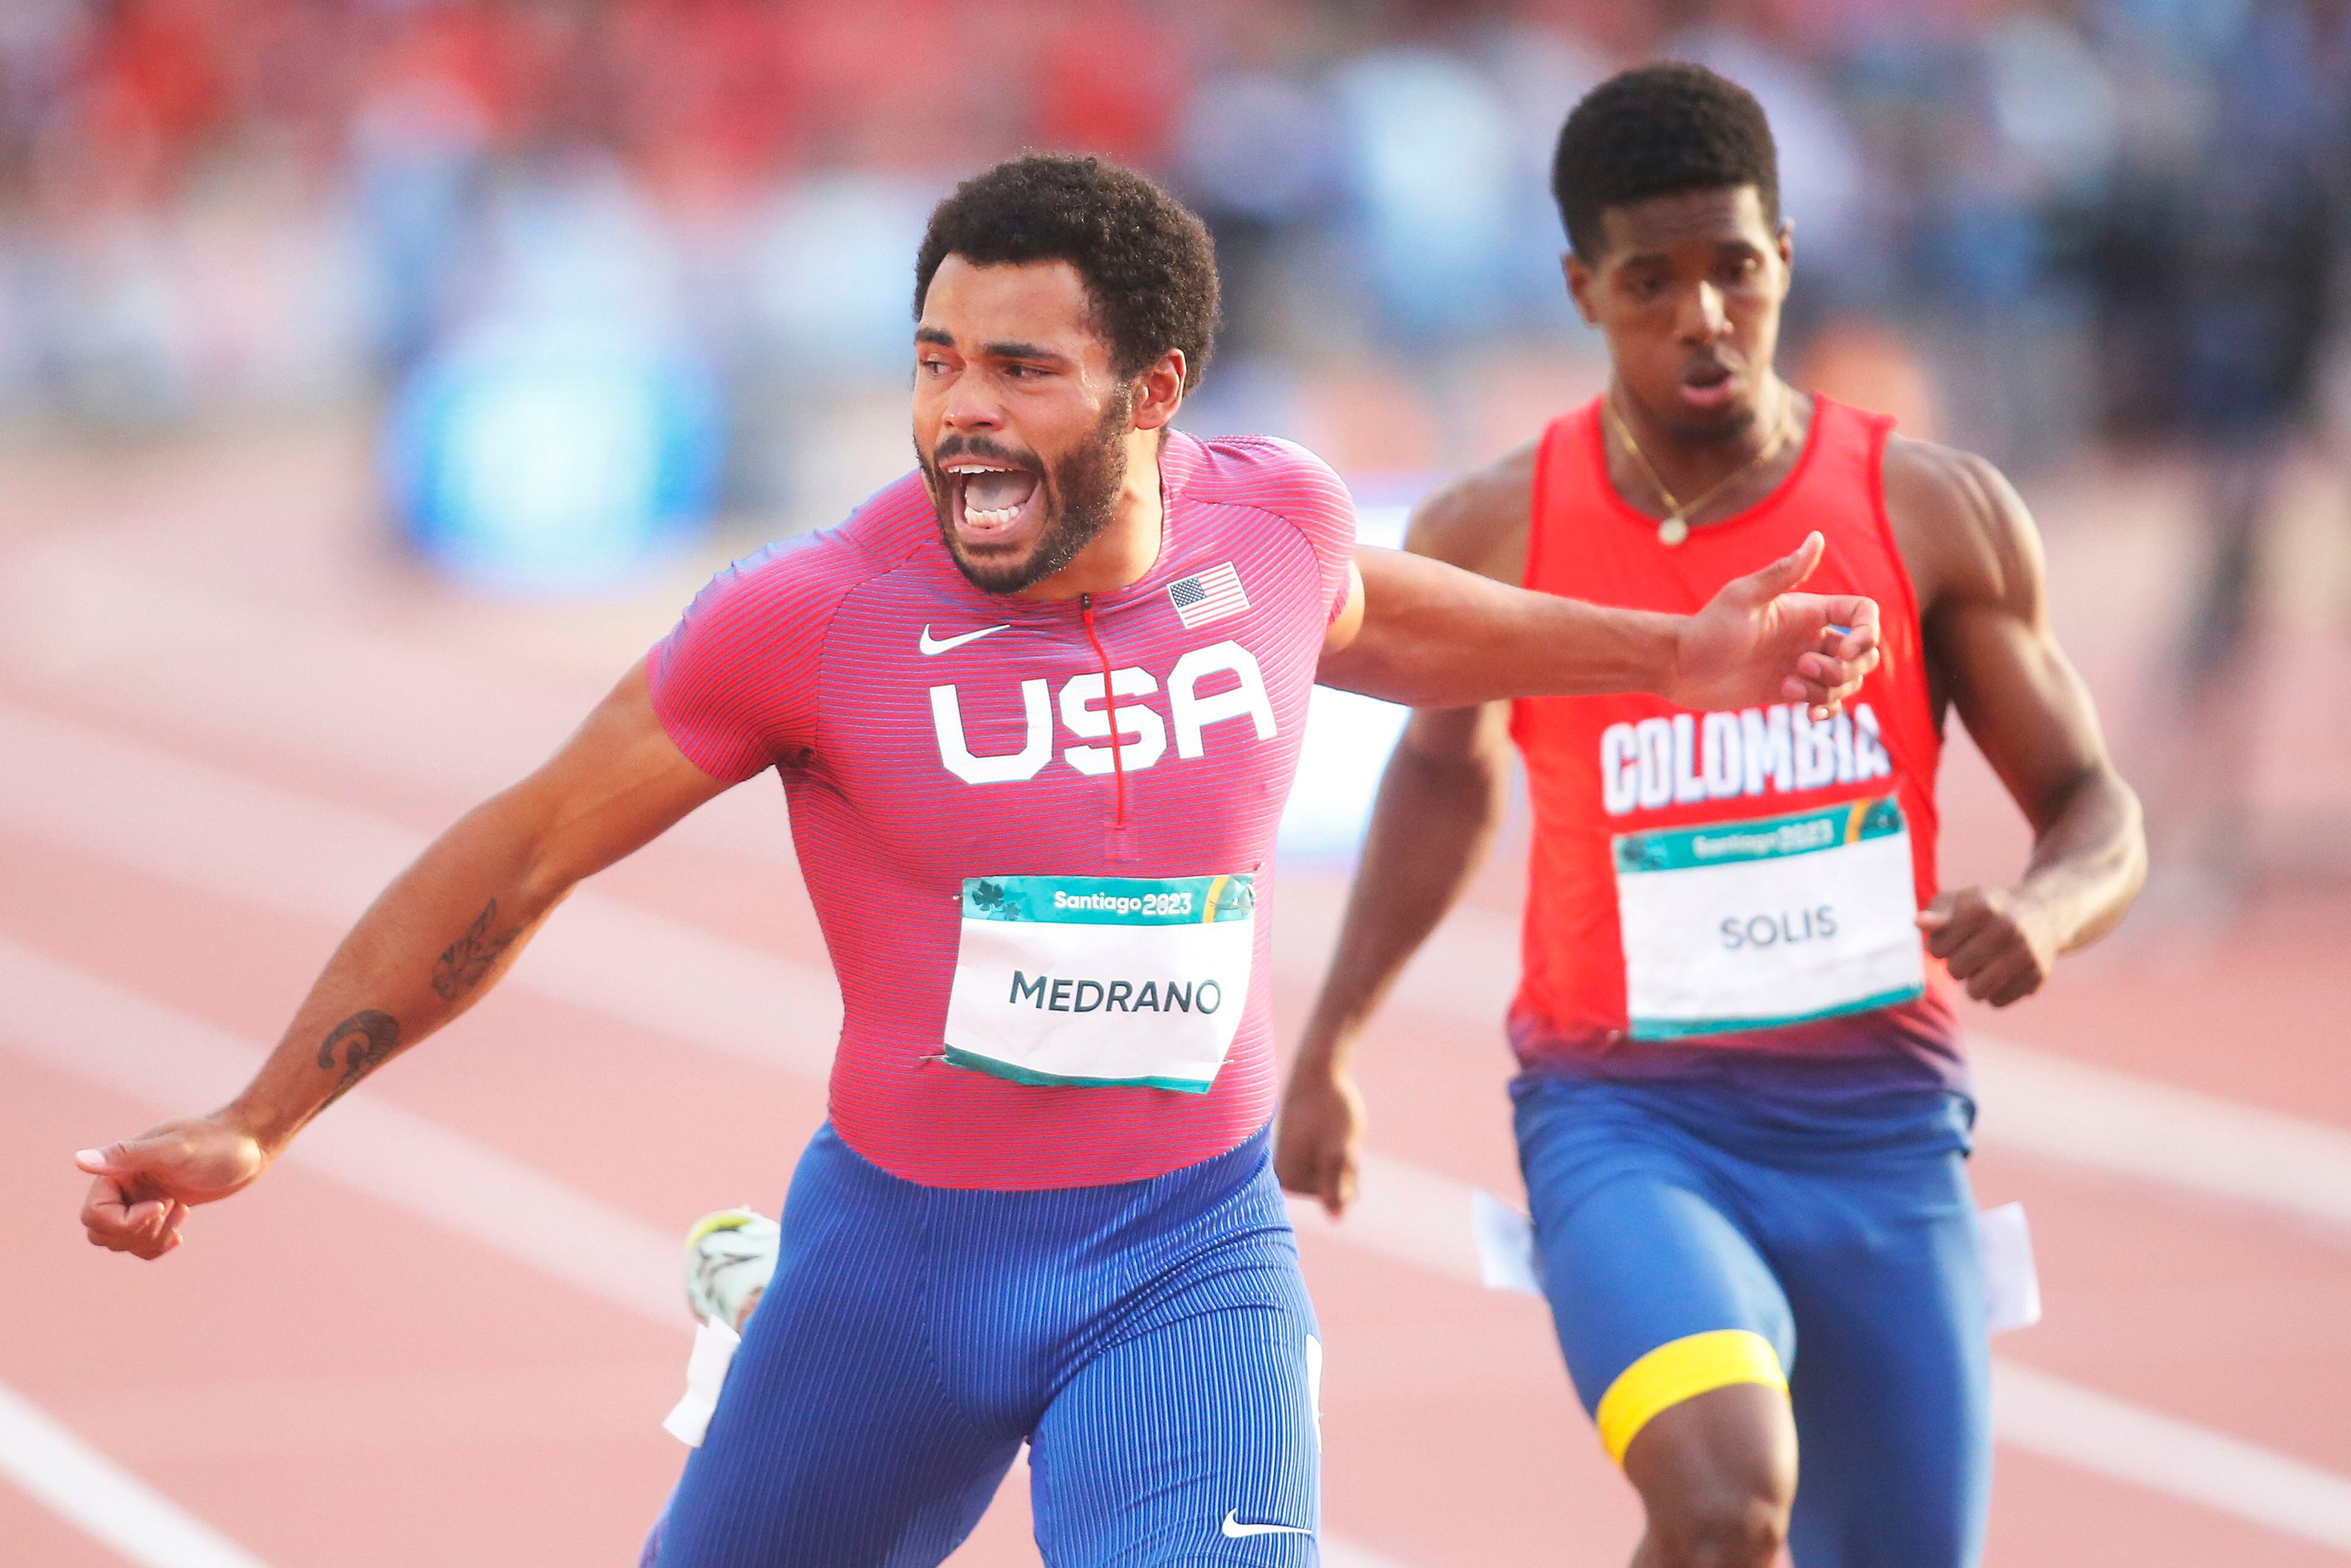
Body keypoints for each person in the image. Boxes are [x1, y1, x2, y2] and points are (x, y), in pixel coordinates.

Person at [74, 153, 1881, 1567]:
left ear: (1155, 387)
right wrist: (260, 1114)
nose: (962, 414)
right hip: (895, 1264)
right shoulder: (810, 620)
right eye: (937, 362)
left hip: (1190, 1248)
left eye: (1022, 369)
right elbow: (524, 850)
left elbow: (1383, 616)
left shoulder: (1275, 525)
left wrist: (1667, 655)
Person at [1274, 65, 2145, 1568]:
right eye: (1650, 280)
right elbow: (1438, 771)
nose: (1702, 316)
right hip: (1629, 1122)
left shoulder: (1931, 509)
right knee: (1727, 1495)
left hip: (1883, 1133)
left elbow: (2091, 802)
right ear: (1580, 287)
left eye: (1735, 269)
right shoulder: (1499, 521)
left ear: (1786, 258)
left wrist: (2047, 907)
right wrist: (1331, 1043)